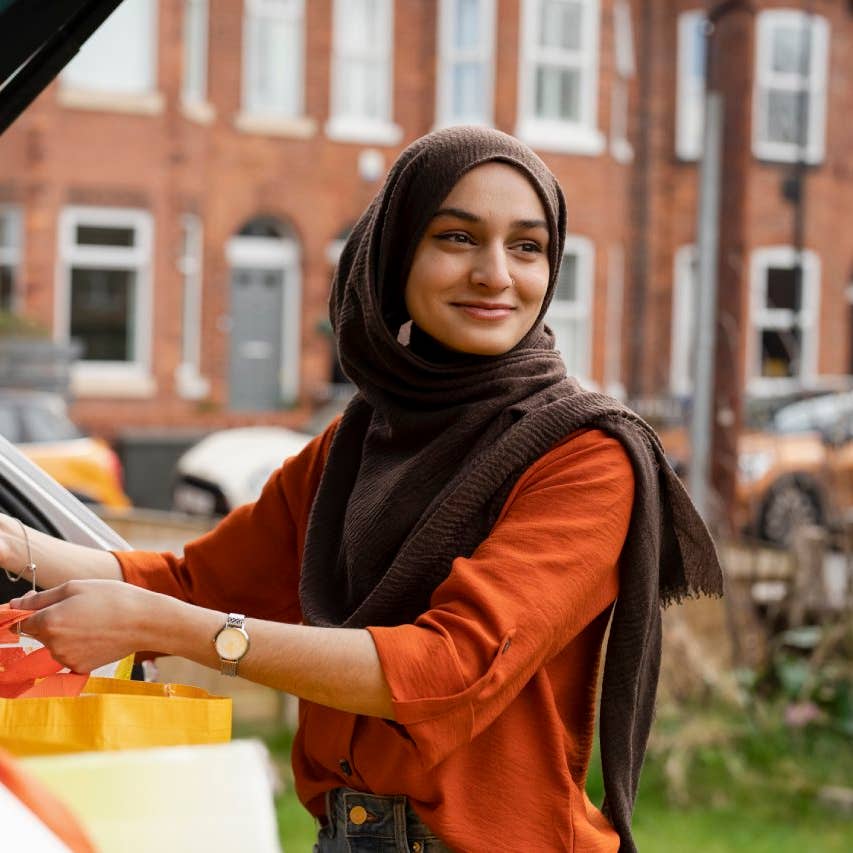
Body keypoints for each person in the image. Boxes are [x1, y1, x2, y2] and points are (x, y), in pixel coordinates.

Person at [0, 127, 722, 852]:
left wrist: (169, 629)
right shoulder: (355, 442)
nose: (495, 274)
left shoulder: (585, 456)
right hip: (347, 834)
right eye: (457, 238)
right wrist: (17, 543)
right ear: (395, 252)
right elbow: (194, 578)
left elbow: (449, 667)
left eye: (526, 246)